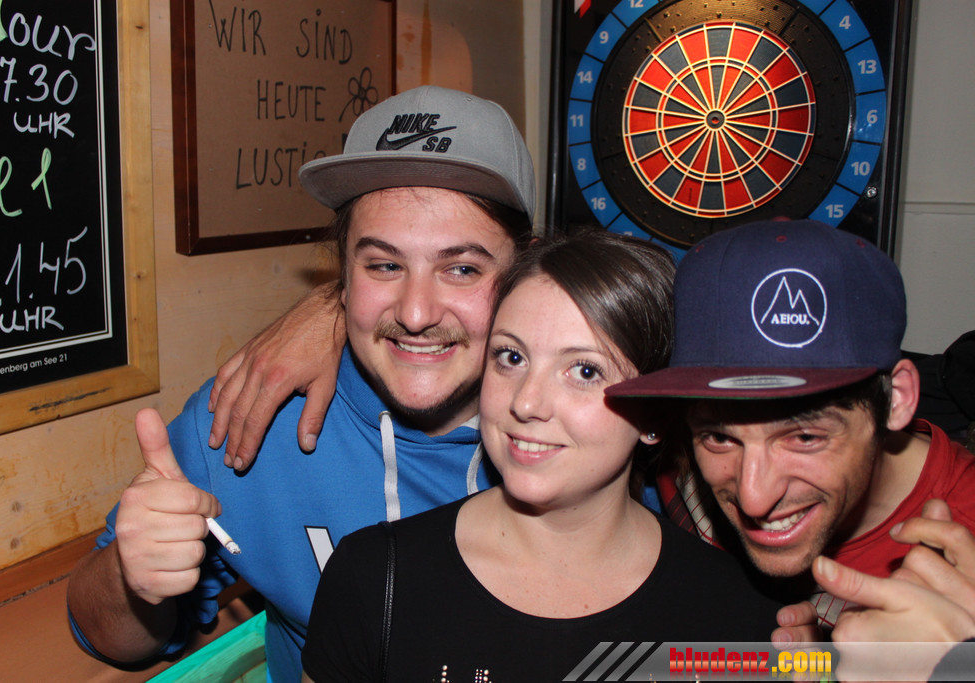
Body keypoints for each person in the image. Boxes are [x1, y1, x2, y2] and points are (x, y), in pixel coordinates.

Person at [65, 85, 537, 679]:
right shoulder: (249, 416)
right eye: (384, 265)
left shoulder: (586, 430)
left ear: (526, 269)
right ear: (342, 271)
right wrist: (130, 576)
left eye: (461, 268)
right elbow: (105, 634)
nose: (416, 312)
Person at [301, 229, 783, 682]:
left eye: (585, 371)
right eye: (511, 357)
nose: (526, 403)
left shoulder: (742, 615)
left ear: (653, 414)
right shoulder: (375, 580)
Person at [604, 218, 975, 629]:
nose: (754, 500)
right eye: (719, 438)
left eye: (804, 437)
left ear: (897, 399)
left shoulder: (964, 561)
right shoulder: (673, 463)